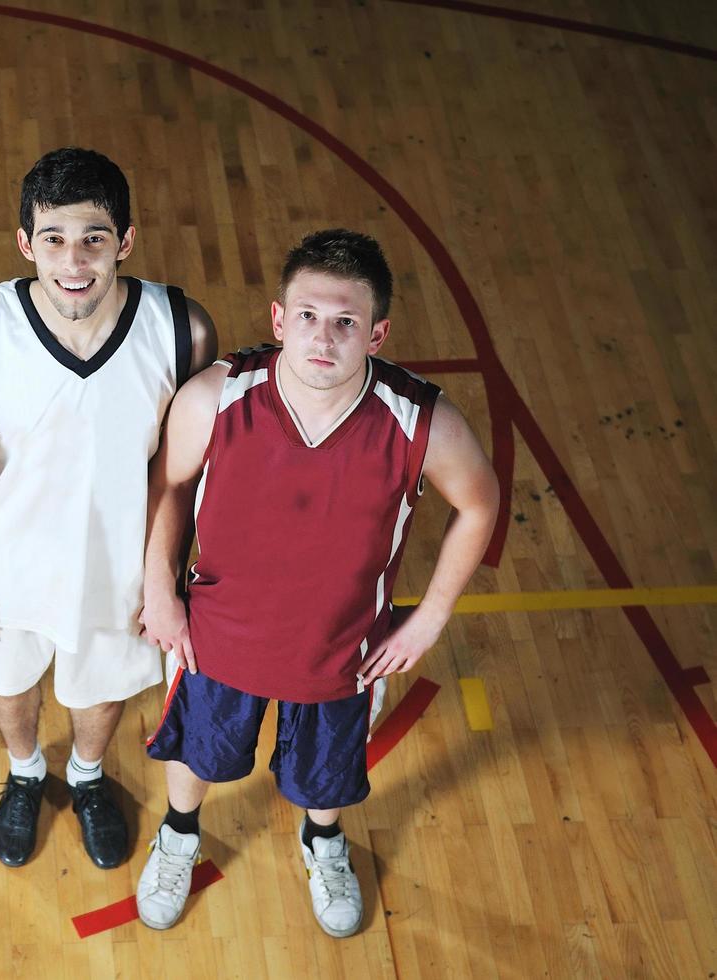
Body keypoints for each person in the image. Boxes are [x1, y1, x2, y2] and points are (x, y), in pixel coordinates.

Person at [133, 228, 499, 934]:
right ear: (278, 320)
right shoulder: (216, 397)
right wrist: (159, 591)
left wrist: (428, 621)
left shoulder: (421, 421)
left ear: (377, 332)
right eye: (306, 317)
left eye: (345, 322)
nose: (322, 339)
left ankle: (322, 841)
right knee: (197, 751)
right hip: (217, 637)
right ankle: (179, 832)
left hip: (342, 650)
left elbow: (480, 503)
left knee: (326, 777)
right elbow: (170, 485)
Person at [0, 148, 217, 870]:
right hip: (4, 566)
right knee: (9, 686)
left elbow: (178, 473)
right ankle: (27, 771)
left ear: (124, 241)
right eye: (55, 239)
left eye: (95, 238)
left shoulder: (181, 328)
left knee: (100, 692)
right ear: (25, 242)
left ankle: (88, 777)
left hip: (118, 568)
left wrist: (162, 580)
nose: (75, 261)